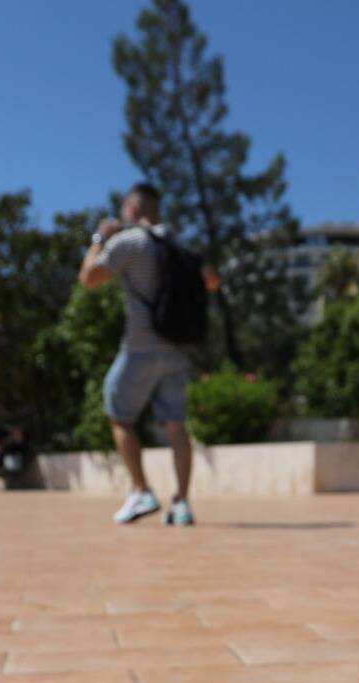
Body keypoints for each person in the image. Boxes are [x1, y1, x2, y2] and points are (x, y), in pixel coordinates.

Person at [78, 182, 220, 527]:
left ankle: (141, 490)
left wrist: (99, 239)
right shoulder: (179, 246)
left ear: (132, 209)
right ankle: (181, 503)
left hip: (140, 346)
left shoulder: (131, 242)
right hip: (177, 348)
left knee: (119, 416)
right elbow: (213, 282)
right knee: (176, 426)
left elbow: (89, 279)